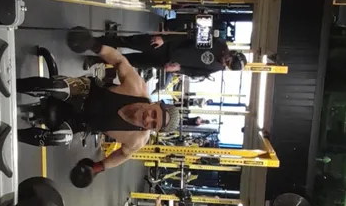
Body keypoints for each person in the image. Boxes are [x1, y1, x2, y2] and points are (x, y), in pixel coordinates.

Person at [16, 31, 181, 171]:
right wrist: (94, 45)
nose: (148, 118)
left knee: (59, 139)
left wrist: (97, 168)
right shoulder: (137, 88)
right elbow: (120, 61)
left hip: (80, 122)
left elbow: (122, 155)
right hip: (85, 92)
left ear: (154, 130)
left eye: (153, 124)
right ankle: (14, 85)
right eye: (154, 114)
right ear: (155, 104)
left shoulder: (137, 139)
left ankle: (13, 135)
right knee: (60, 88)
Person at [78, 32, 247, 78]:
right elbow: (190, 35)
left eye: (227, 66)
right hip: (166, 45)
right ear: (231, 53)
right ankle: (94, 41)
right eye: (228, 61)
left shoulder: (217, 67)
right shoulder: (218, 43)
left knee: (128, 62)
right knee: (128, 42)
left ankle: (95, 59)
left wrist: (179, 69)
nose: (224, 64)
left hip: (165, 61)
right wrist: (165, 38)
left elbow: (195, 72)